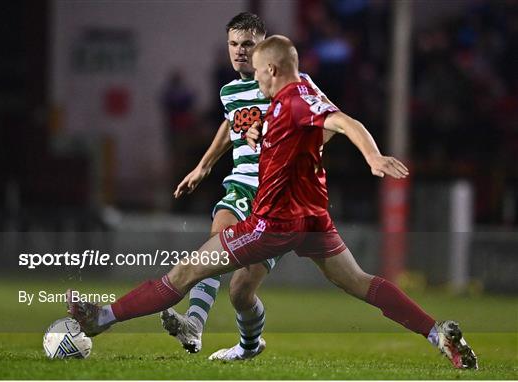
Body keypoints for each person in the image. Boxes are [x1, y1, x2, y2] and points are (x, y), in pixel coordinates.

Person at [67, 35, 478, 370]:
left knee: (188, 269)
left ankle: (102, 319)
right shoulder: (291, 100)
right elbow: (299, 132)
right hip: (314, 220)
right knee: (358, 281)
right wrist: (255, 138)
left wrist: (372, 157)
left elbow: (343, 122)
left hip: (274, 223)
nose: (256, 80)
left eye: (260, 72)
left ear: (273, 70)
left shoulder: (296, 97)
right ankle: (437, 333)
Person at [161, 12, 336, 360]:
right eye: (234, 44)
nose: (240, 51)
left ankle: (249, 346)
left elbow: (330, 121)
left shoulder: (292, 83)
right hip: (241, 186)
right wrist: (203, 167)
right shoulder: (229, 91)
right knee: (217, 238)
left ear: (263, 47)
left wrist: (299, 147)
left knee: (241, 291)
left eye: (248, 45)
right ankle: (194, 326)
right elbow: (230, 126)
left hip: (279, 197)